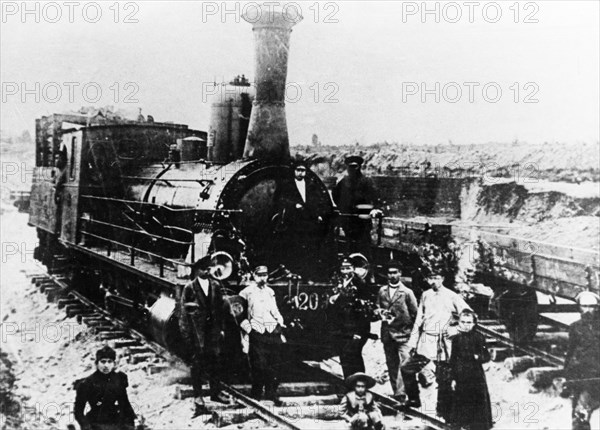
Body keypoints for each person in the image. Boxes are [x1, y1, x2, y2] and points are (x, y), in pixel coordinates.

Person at [407, 264, 471, 421]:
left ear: (442, 279)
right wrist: (413, 342)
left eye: (436, 278)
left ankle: (444, 412)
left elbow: (469, 315)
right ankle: (414, 399)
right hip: (425, 342)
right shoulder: (425, 295)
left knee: (444, 379)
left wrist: (455, 330)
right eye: (430, 278)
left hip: (443, 344)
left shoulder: (451, 296)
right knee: (406, 369)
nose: (433, 281)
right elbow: (418, 319)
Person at [179, 258, 229, 416]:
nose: (207, 272)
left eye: (209, 269)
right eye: (204, 269)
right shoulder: (190, 288)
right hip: (197, 332)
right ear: (197, 270)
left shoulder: (215, 286)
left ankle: (215, 393)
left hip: (212, 331)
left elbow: (220, 309)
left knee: (215, 361)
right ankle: (198, 397)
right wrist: (187, 334)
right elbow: (183, 313)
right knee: (197, 364)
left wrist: (221, 329)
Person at [239, 265, 286, 403]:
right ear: (254, 276)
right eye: (259, 275)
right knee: (259, 365)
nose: (262, 278)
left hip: (272, 330)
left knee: (274, 363)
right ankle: (256, 394)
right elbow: (239, 314)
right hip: (257, 331)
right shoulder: (246, 292)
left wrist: (280, 321)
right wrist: (248, 329)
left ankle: (271, 393)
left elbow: (275, 310)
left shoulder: (270, 292)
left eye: (265, 275)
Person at [272, 160, 327, 274]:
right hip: (293, 221)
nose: (301, 173)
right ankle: (293, 270)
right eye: (298, 170)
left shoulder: (311, 185)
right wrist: (293, 205)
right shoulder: (287, 184)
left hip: (308, 221)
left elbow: (317, 201)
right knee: (294, 246)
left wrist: (318, 215)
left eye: (303, 171)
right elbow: (279, 199)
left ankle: (306, 272)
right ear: (294, 171)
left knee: (308, 246)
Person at [377, 262, 419, 406]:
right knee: (392, 364)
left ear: (400, 273)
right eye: (389, 273)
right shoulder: (382, 291)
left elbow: (416, 314)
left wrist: (414, 335)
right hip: (387, 334)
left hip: (404, 334)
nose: (392, 275)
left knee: (405, 364)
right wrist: (380, 313)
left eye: (395, 272)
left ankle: (401, 394)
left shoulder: (407, 292)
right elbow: (377, 308)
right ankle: (397, 394)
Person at [328, 258, 377, 378]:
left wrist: (360, 332)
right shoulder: (337, 283)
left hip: (356, 328)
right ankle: (349, 385)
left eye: (348, 268)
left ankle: (360, 385)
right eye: (342, 268)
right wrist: (331, 300)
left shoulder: (360, 284)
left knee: (354, 355)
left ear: (353, 269)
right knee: (344, 356)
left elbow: (365, 309)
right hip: (342, 328)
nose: (345, 271)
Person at [449, 309, 493, 430]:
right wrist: (453, 378)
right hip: (461, 375)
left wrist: (478, 357)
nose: (466, 325)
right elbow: (453, 360)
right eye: (463, 322)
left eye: (469, 322)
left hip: (476, 375)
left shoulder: (479, 337)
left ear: (474, 324)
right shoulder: (456, 339)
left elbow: (487, 356)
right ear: (459, 323)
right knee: (462, 401)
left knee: (477, 401)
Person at [74, 346, 136, 430]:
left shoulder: (118, 379)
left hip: (115, 421)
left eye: (109, 361)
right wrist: (85, 425)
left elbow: (124, 404)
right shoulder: (87, 383)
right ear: (96, 363)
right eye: (103, 362)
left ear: (114, 363)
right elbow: (78, 411)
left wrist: (130, 423)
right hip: (95, 422)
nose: (106, 365)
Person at [564, 291, 600, 430]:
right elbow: (570, 351)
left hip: (597, 373)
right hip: (582, 375)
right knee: (581, 414)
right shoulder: (574, 327)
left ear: (597, 308)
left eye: (591, 306)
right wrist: (566, 375)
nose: (588, 310)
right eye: (584, 306)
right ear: (580, 308)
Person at [332, 155, 381, 254]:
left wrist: (375, 208)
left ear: (359, 167)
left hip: (363, 220)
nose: (353, 169)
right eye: (350, 167)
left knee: (364, 244)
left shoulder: (367, 181)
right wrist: (342, 208)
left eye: (355, 166)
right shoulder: (343, 182)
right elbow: (335, 194)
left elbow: (375, 195)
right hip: (348, 219)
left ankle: (364, 265)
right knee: (349, 244)